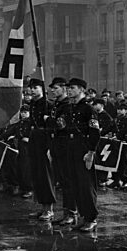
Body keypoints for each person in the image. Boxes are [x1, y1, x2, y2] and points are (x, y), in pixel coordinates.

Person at [65, 78, 101, 232]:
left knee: (86, 185)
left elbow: (95, 132)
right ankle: (83, 216)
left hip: (84, 150)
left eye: (72, 88)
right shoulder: (72, 107)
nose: (69, 91)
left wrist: (91, 152)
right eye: (68, 88)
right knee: (76, 185)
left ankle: (91, 218)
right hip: (72, 149)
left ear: (81, 89)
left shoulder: (88, 109)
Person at [48, 77, 77, 225]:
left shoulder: (67, 105)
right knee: (62, 180)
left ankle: (71, 212)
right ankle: (66, 212)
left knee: (68, 180)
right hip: (56, 144)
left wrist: (49, 120)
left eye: (56, 88)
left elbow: (61, 124)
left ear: (64, 89)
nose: (53, 90)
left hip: (65, 145)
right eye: (52, 88)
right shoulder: (57, 104)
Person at [27, 78, 56, 221]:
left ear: (42, 89)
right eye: (31, 88)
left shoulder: (48, 104)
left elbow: (52, 127)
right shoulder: (33, 104)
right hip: (34, 139)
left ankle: (49, 209)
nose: (32, 90)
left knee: (45, 175)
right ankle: (42, 207)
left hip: (44, 140)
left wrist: (50, 146)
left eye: (35, 87)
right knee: (37, 174)